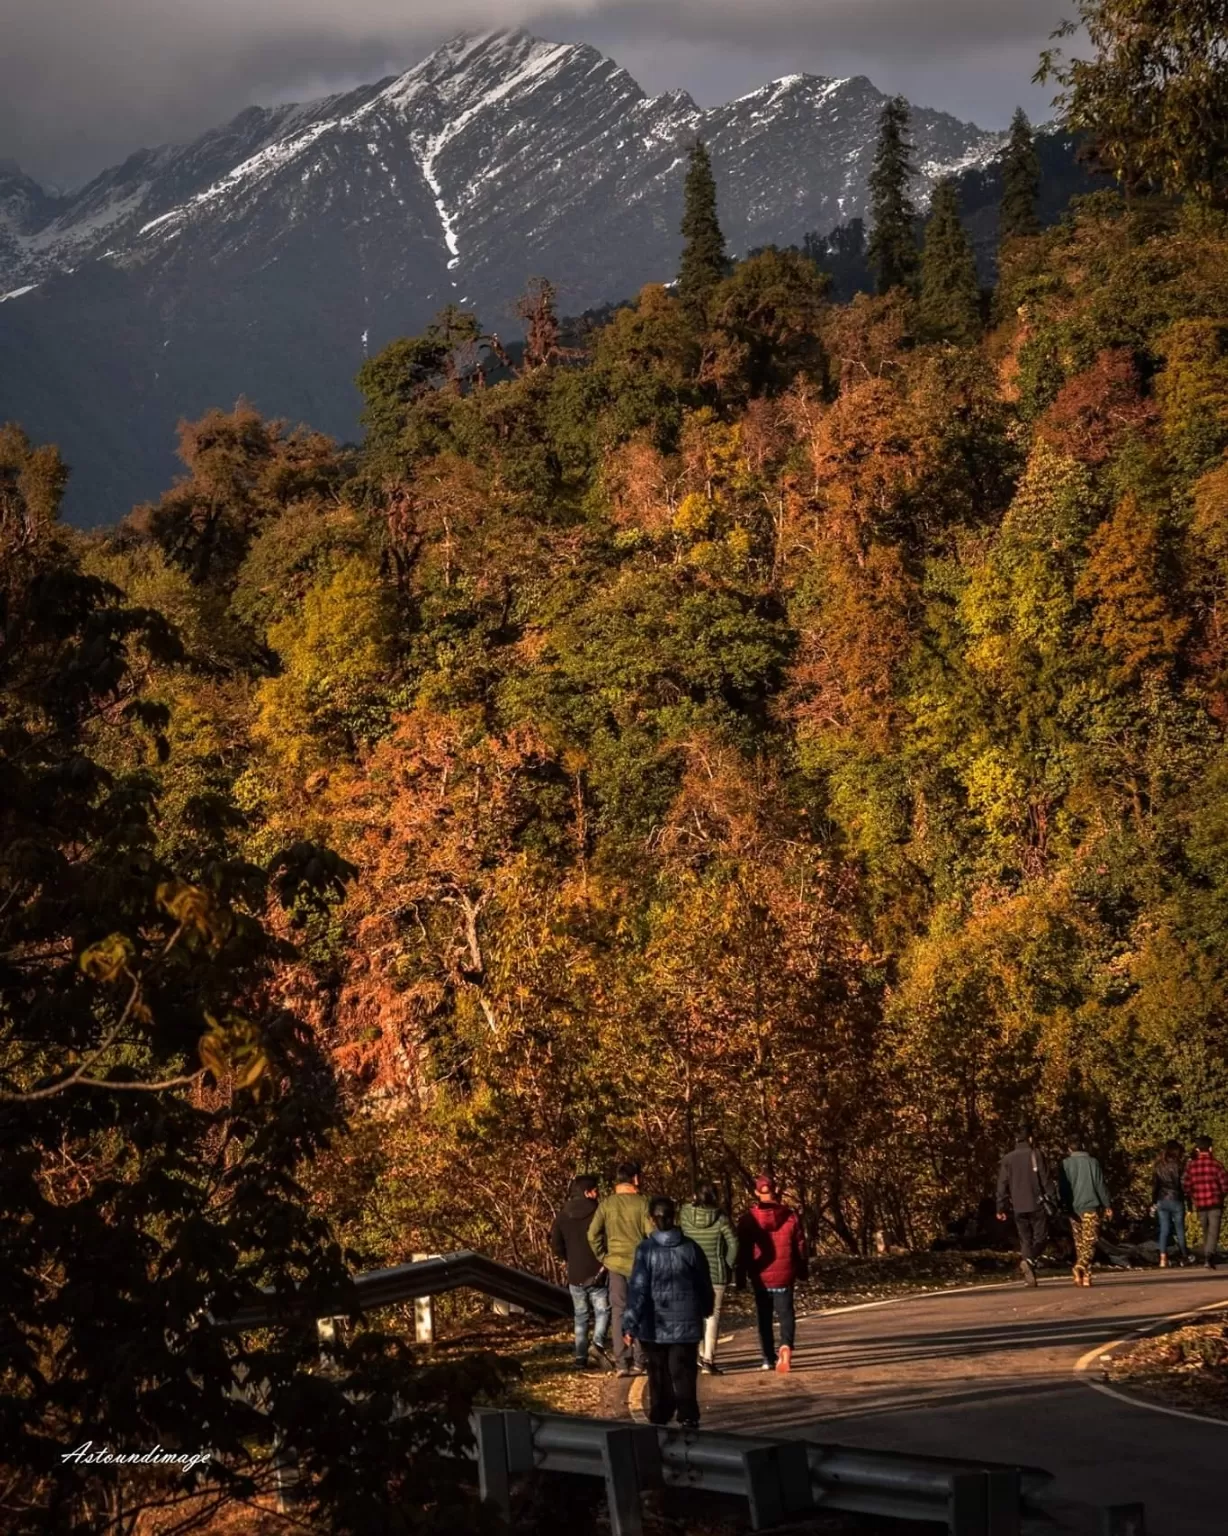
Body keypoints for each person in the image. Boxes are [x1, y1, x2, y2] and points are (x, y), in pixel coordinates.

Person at [621, 1195, 714, 1430]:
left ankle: (661, 1412)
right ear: (674, 1217)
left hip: (655, 1323)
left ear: (652, 1219)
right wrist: (706, 1307)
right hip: (686, 1322)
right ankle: (688, 1414)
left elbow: (639, 1288)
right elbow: (704, 1282)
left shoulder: (645, 1250)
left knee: (658, 1371)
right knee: (683, 1371)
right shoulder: (690, 1248)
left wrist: (630, 1322)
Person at [588, 1160, 653, 1376]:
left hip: (614, 1265)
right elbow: (651, 1233)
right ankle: (640, 1359)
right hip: (639, 1264)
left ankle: (621, 1361)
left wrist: (603, 1256)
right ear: (635, 1178)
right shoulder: (643, 1203)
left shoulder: (607, 1204)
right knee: (641, 1309)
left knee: (618, 1311)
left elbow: (592, 1234)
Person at [736, 1174, 807, 1373]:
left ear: (757, 1193)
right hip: (785, 1275)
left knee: (764, 1318)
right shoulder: (790, 1216)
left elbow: (743, 1251)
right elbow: (800, 1246)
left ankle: (767, 1357)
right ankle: (785, 1345)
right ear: (775, 1191)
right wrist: (802, 1270)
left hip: (760, 1276)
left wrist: (741, 1276)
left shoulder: (748, 1219)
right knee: (786, 1314)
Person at [550, 1173, 612, 1371]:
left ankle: (580, 1356)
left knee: (580, 1315)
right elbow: (608, 1239)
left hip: (575, 1272)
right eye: (595, 1190)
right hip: (597, 1271)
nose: (597, 1193)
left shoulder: (562, 1215)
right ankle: (598, 1343)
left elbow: (556, 1245)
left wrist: (568, 1258)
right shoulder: (599, 1212)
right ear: (587, 1192)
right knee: (603, 1311)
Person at [680, 1183, 739, 1375]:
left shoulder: (685, 1215)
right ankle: (708, 1360)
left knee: (693, 1314)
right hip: (715, 1273)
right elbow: (734, 1243)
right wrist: (727, 1263)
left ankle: (695, 1355)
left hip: (690, 1272)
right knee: (712, 1316)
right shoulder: (721, 1218)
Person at [995, 1123, 1056, 1287]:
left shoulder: (1008, 1159)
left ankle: (1029, 1273)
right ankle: (1030, 1260)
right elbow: (1046, 1179)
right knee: (1041, 1238)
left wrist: (1000, 1206)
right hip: (1036, 1203)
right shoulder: (1036, 1154)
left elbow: (1002, 1184)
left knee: (1025, 1240)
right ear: (1030, 1138)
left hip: (1018, 1206)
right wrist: (1053, 1198)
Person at [1059, 1136, 1112, 1286]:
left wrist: (1064, 1206)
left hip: (1074, 1208)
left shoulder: (1065, 1164)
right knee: (1090, 1240)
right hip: (1090, 1205)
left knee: (1081, 1243)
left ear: (1069, 1148)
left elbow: (1063, 1188)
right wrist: (1106, 1204)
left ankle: (1084, 1275)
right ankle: (1081, 1267)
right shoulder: (1092, 1162)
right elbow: (1099, 1185)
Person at [1182, 1136, 1228, 1269]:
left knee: (1206, 1229)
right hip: (1215, 1202)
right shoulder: (1216, 1165)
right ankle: (1209, 1256)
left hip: (1200, 1203)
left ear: (1197, 1149)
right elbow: (1225, 1184)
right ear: (1210, 1148)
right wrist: (1221, 1195)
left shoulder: (1191, 1166)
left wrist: (1194, 1195)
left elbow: (1185, 1185)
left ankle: (1208, 1254)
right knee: (1214, 1231)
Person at [1151, 1141, 1189, 1269]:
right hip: (1176, 1199)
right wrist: (1188, 1202)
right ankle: (1184, 1256)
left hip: (1162, 1199)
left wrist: (1153, 1200)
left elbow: (1155, 1185)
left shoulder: (1158, 1166)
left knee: (1164, 1229)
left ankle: (1163, 1257)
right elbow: (1184, 1185)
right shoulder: (1180, 1165)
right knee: (1180, 1230)